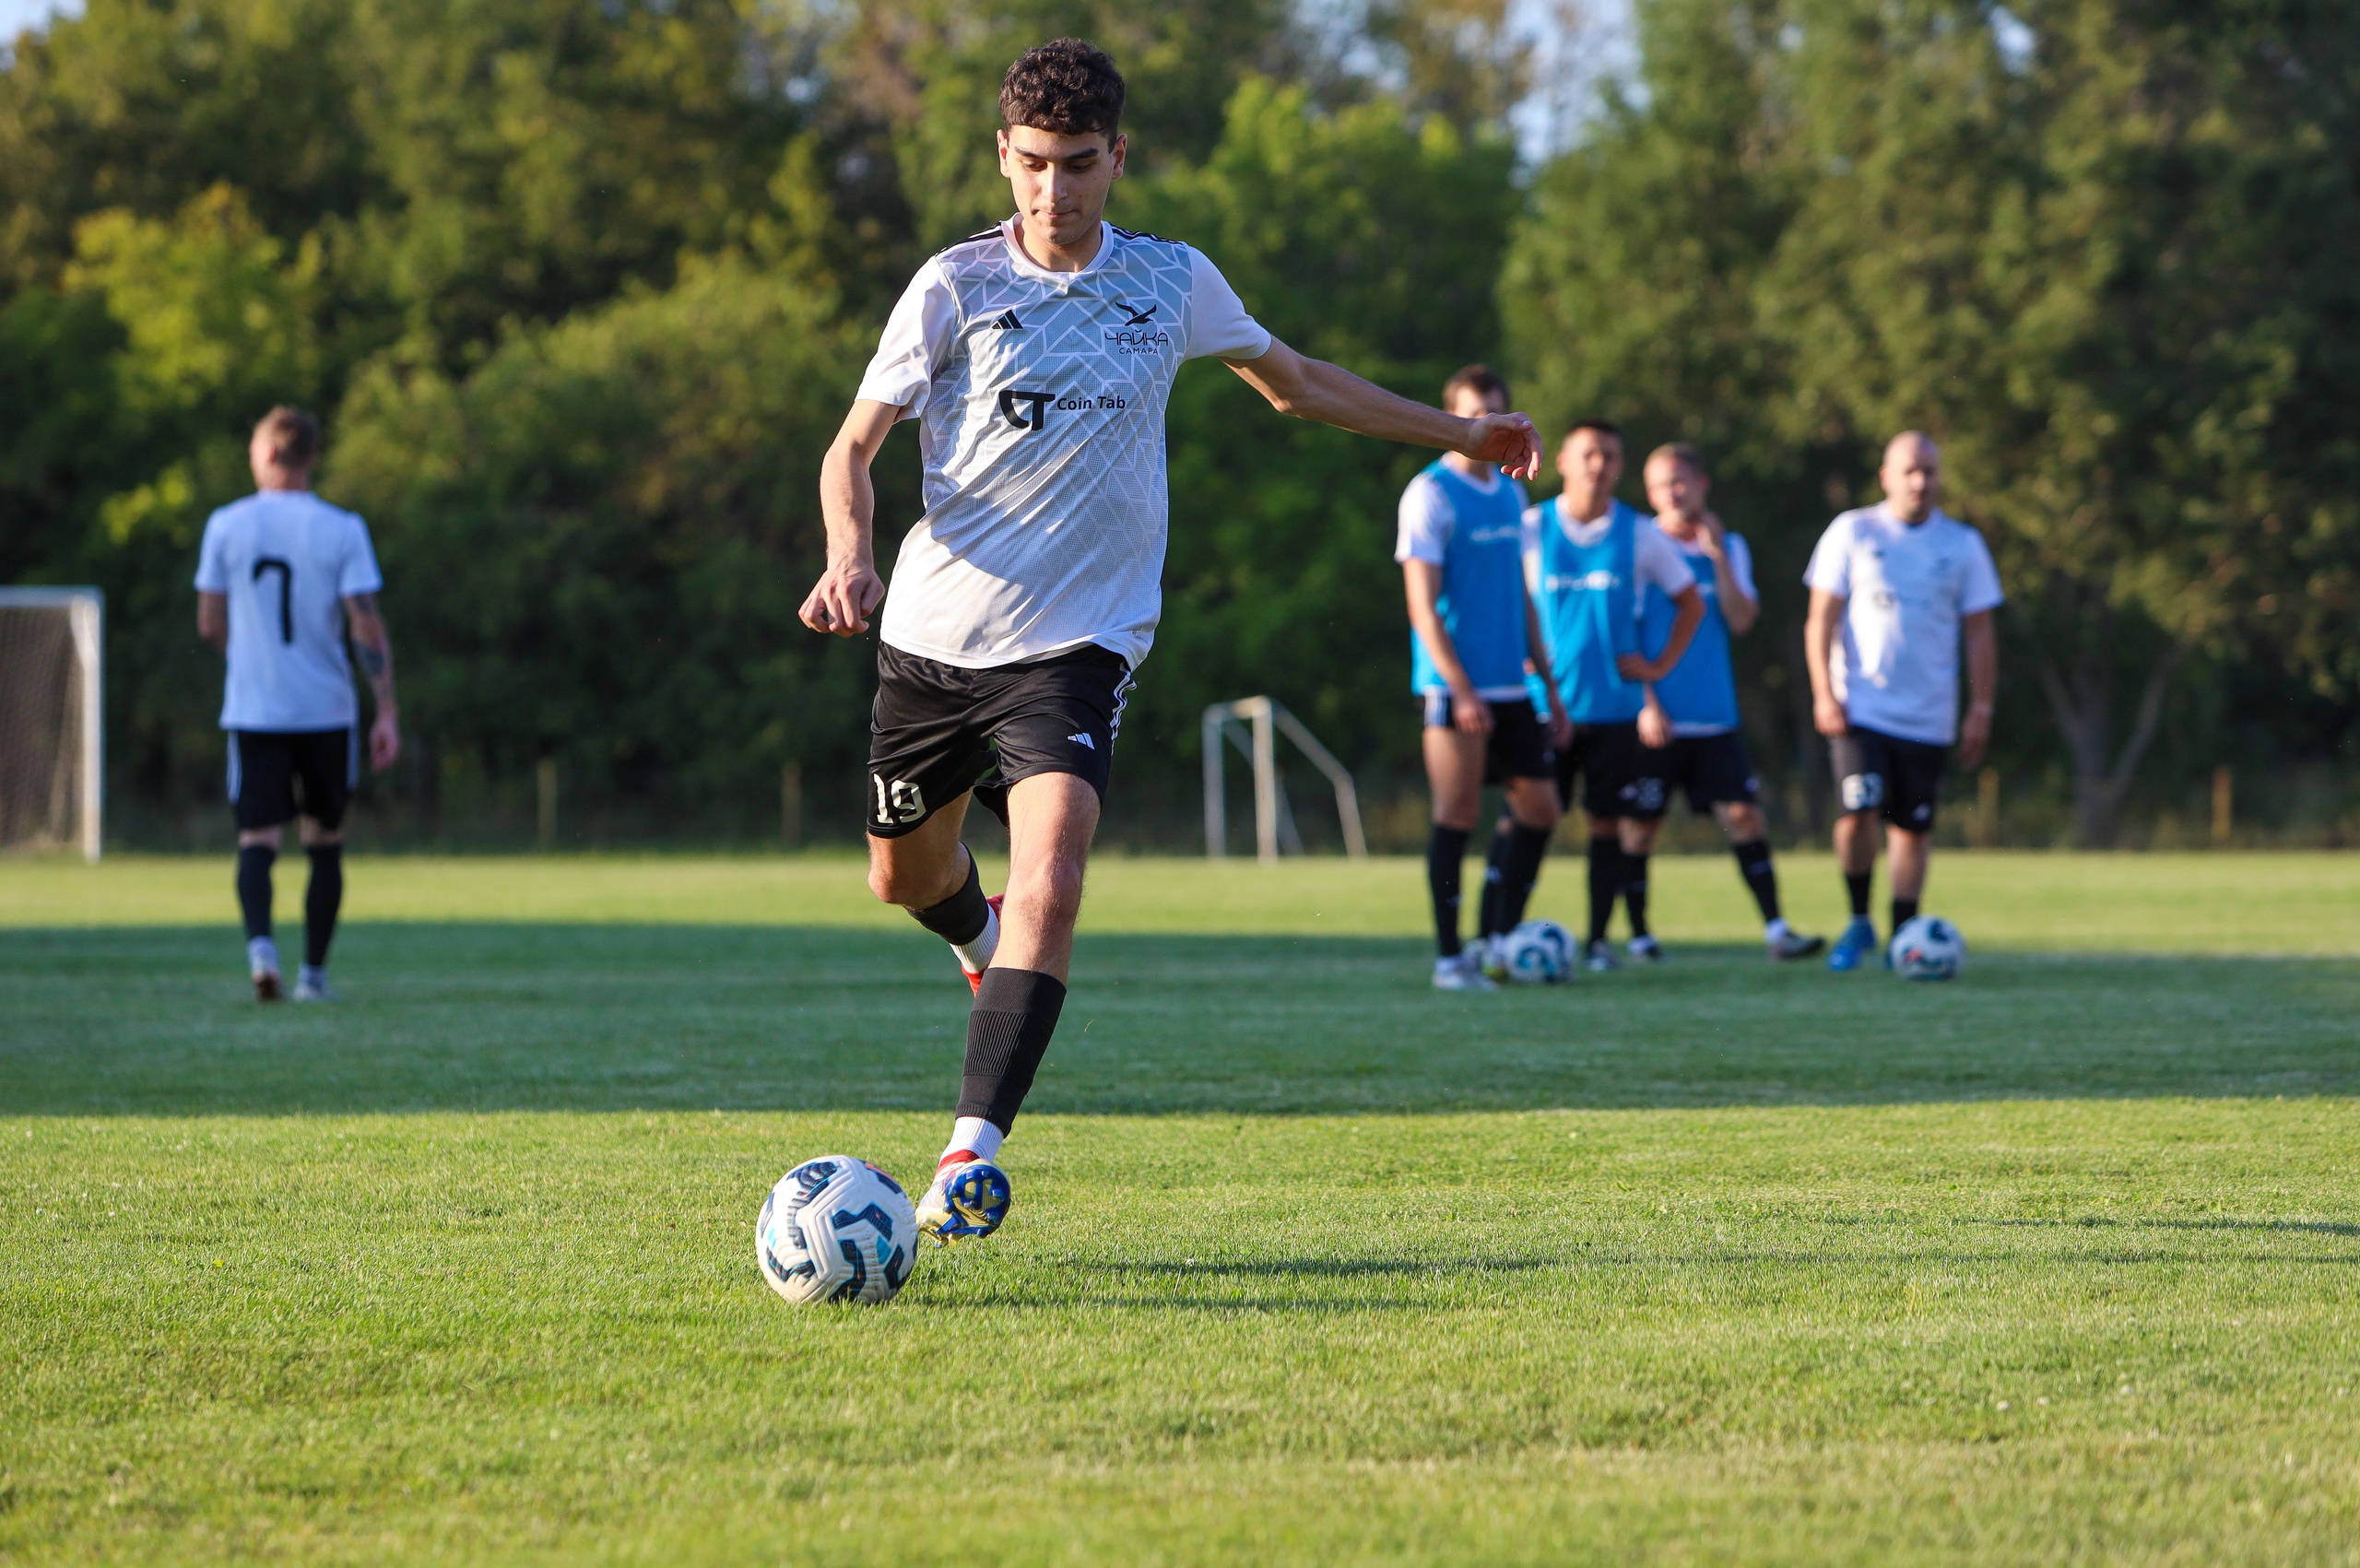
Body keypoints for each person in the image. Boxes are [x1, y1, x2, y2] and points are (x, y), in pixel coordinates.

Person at [798, 39, 1542, 1246]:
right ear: (1003, 155)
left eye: (1079, 164)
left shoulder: (1172, 283)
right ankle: (978, 945)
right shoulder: (950, 287)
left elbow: (1299, 385)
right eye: (1033, 165)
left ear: (1118, 160)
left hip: (1077, 648)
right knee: (903, 877)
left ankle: (969, 1151)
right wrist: (849, 557)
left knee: (1056, 868)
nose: (1054, 192)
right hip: (932, 644)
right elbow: (850, 450)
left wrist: (1458, 434)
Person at [194, 406, 400, 1002]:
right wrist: (385, 707)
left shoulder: (226, 524)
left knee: (257, 838)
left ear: (269, 454)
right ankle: (313, 975)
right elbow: (366, 624)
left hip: (256, 710)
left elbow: (209, 622)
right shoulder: (342, 527)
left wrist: (251, 659)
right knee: (324, 840)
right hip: (327, 710)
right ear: (311, 456)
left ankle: (262, 952)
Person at [1502, 419, 1702, 973]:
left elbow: (1692, 603)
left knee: (1607, 826)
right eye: (1588, 454)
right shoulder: (1532, 527)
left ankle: (1597, 941)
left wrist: (1659, 666)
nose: (1598, 465)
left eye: (1609, 456)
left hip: (1615, 710)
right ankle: (1497, 934)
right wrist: (1511, 650)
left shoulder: (1639, 534)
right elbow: (1502, 594)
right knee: (1526, 822)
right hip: (1545, 709)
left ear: (1619, 466)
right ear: (1563, 460)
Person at [1803, 430, 2002, 971]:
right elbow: (1820, 618)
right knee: (1856, 812)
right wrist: (1824, 691)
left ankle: (1903, 933)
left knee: (1911, 828)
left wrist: (1980, 708)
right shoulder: (1853, 531)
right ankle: (1859, 921)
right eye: (1909, 470)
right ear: (1885, 477)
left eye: (1929, 472)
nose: (1920, 481)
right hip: (1859, 707)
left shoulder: (1962, 544)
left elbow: (1981, 633)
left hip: (1929, 713)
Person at [1619, 443, 1825, 962]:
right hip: (1655, 717)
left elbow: (1741, 619)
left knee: (1746, 817)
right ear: (1649, 492)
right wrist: (1645, 702)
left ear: (1701, 484)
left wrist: (1717, 559)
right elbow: (1623, 634)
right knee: (1640, 827)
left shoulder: (1729, 546)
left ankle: (1777, 931)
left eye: (1680, 481)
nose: (1672, 492)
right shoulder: (1638, 546)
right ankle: (1639, 935)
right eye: (1661, 484)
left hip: (1713, 714)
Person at [1397, 365, 1567, 992]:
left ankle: (1498, 935)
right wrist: (1460, 689)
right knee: (1458, 814)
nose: (1487, 423)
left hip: (1511, 683)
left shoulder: (1508, 489)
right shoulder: (1429, 494)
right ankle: (1450, 959)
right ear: (1454, 417)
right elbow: (1423, 606)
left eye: (1496, 411)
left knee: (1541, 808)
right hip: (1453, 687)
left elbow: (1520, 594)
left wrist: (1548, 681)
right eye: (1474, 414)